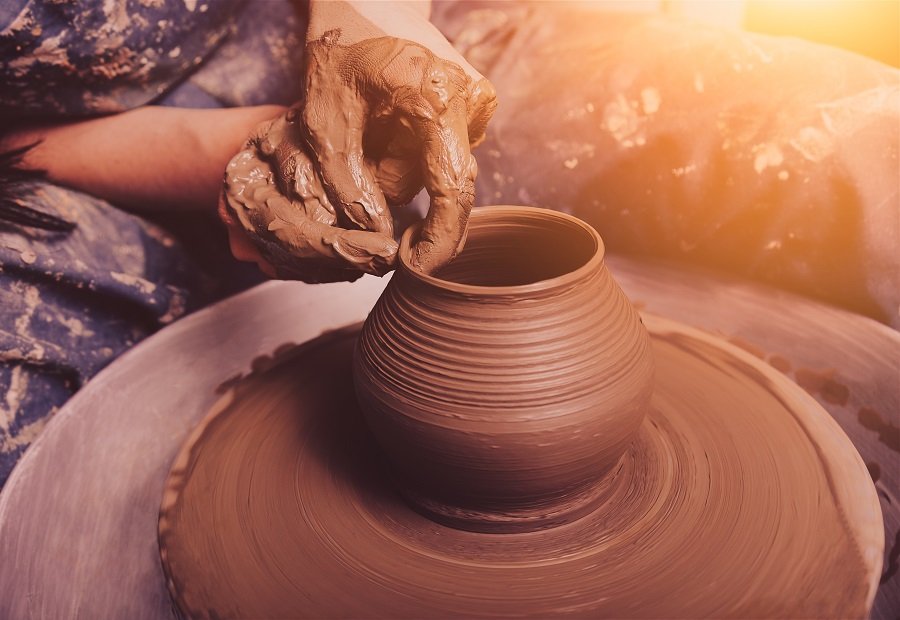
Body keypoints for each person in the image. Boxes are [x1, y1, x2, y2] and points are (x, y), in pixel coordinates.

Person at [0, 0, 495, 486]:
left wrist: (370, 23)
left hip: (289, 27)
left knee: (511, 158)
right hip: (44, 156)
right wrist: (216, 154)